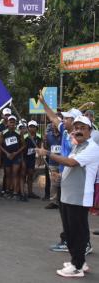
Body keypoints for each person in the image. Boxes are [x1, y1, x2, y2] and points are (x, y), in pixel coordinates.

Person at [36, 116, 99, 277]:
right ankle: (79, 261)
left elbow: (71, 163)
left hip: (79, 197)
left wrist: (47, 152)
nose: (78, 130)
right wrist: (60, 177)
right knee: (72, 231)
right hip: (68, 195)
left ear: (90, 131)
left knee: (77, 232)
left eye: (83, 128)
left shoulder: (92, 148)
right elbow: (71, 168)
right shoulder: (77, 146)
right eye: (76, 127)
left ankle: (76, 266)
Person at [38, 92, 92, 255]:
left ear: (74, 121)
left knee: (77, 216)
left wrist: (48, 155)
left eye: (67, 118)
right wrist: (43, 103)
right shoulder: (64, 130)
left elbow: (73, 161)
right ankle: (68, 240)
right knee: (66, 215)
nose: (63, 120)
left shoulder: (76, 139)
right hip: (63, 178)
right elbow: (53, 118)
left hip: (74, 182)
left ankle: (84, 244)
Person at [0, 115, 26, 200]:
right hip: (7, 156)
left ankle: (15, 192)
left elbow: (24, 145)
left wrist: (16, 153)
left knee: (15, 174)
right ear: (7, 123)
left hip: (16, 156)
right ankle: (7, 190)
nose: (12, 124)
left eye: (13, 122)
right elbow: (0, 145)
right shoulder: (3, 132)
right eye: (10, 122)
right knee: (8, 174)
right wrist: (6, 153)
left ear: (15, 123)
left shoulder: (19, 133)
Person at [23, 120, 42, 199]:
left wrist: (40, 158)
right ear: (28, 128)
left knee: (30, 175)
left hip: (32, 158)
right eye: (30, 127)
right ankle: (22, 192)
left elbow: (39, 147)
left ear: (36, 128)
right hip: (24, 158)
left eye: (33, 127)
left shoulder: (39, 136)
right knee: (23, 175)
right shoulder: (24, 136)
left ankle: (30, 192)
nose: (32, 128)